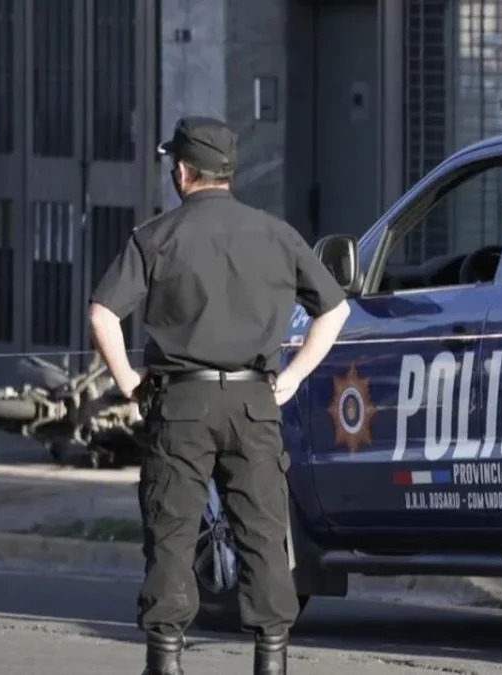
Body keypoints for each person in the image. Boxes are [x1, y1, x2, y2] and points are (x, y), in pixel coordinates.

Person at [88, 116, 350, 675]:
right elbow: (336, 309)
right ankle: (271, 659)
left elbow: (103, 313)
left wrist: (129, 382)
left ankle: (166, 661)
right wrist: (295, 376)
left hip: (180, 405)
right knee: (261, 531)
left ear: (183, 171)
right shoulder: (278, 234)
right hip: (256, 403)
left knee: (173, 531)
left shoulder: (156, 236)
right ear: (227, 171)